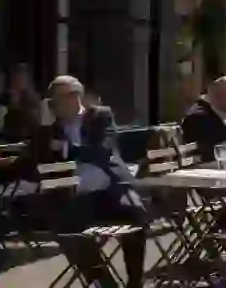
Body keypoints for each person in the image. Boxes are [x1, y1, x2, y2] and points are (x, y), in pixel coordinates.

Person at [21, 76, 147, 288]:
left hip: (110, 189)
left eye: (56, 100)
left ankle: (135, 282)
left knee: (135, 215)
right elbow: (33, 161)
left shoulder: (100, 116)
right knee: (69, 231)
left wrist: (65, 149)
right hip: (75, 196)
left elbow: (102, 150)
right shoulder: (49, 131)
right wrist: (43, 127)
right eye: (50, 102)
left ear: (74, 97)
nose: (52, 106)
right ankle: (105, 284)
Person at [180, 76, 226, 163]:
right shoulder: (198, 118)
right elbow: (208, 151)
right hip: (202, 169)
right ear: (218, 97)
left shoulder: (223, 111)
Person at [0, 63, 41, 141]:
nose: (17, 81)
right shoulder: (5, 96)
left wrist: (17, 106)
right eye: (15, 78)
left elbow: (34, 121)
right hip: (6, 136)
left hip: (26, 138)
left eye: (21, 78)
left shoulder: (32, 98)